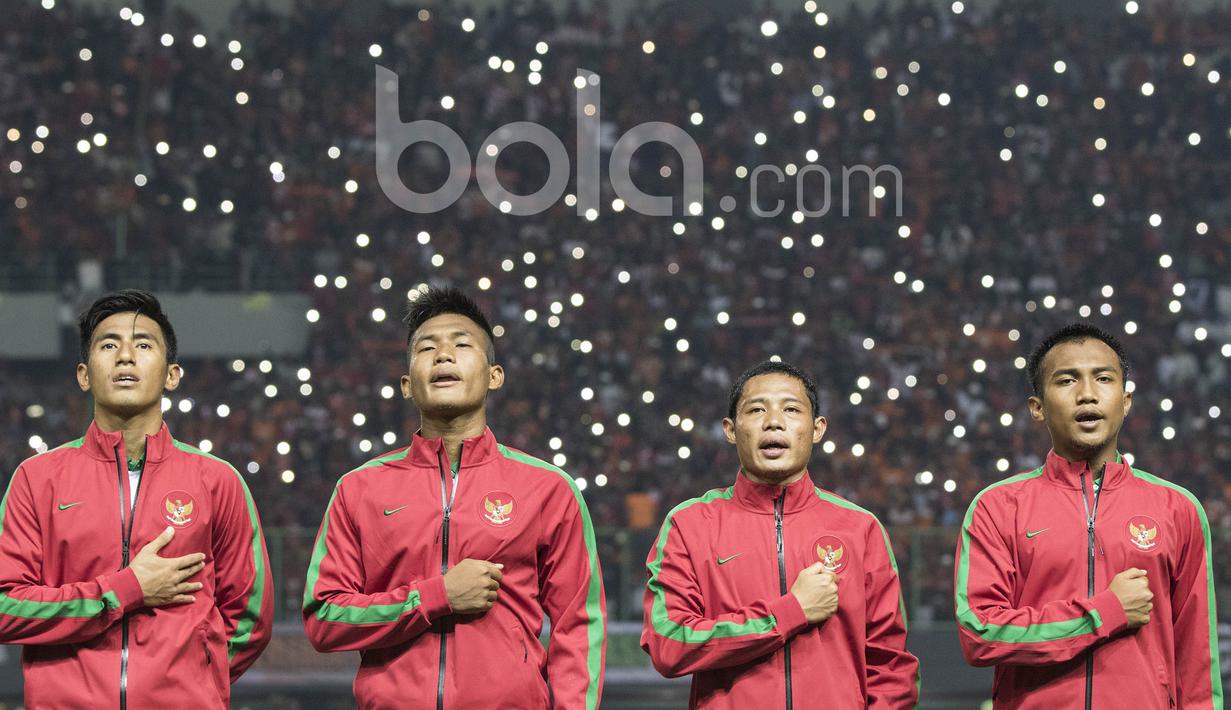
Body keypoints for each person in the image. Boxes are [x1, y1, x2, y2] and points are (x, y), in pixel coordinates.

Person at [302, 286, 606, 709]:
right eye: (427, 348)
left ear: (494, 375)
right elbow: (324, 619)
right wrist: (436, 596)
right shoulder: (358, 489)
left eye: (462, 345)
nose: (443, 355)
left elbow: (579, 626)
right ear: (407, 385)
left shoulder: (549, 489)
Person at [0, 289, 273, 708]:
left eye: (143, 344)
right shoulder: (37, 480)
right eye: (108, 344)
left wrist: (194, 679)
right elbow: (5, 606)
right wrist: (124, 589)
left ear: (171, 375)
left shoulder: (218, 480)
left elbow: (250, 619)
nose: (125, 356)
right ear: (84, 375)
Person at [954, 323, 1223, 708]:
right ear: (1038, 407)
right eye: (1066, 380)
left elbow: (1196, 660)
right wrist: (1106, 612)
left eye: (1103, 378)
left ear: (1125, 400)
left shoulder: (1178, 508)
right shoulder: (997, 507)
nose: (1087, 394)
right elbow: (981, 634)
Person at [641, 360, 919, 709]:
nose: (773, 421)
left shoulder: (860, 528)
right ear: (730, 429)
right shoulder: (690, 524)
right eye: (756, 410)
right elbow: (669, 644)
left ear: (817, 429)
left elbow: (891, 666)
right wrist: (789, 612)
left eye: (791, 409)